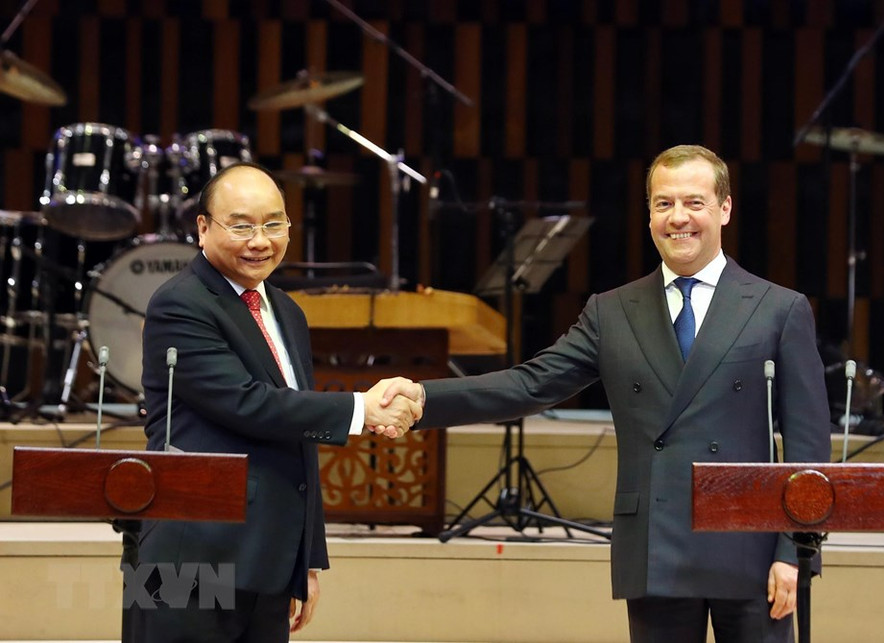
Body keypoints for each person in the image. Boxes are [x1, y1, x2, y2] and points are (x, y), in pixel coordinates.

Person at [379, 145, 832, 643]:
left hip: (753, 551)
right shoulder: (613, 311)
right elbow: (531, 383)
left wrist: (794, 552)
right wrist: (425, 396)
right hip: (656, 549)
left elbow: (808, 447)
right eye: (663, 204)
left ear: (724, 209)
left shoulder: (777, 309)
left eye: (694, 203)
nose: (678, 218)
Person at [125, 162, 421, 642]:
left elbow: (297, 445)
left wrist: (305, 562)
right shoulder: (179, 303)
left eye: (273, 224)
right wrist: (360, 409)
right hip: (188, 556)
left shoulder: (286, 311)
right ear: (203, 228)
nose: (259, 240)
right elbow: (249, 404)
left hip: (268, 562)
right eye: (241, 225)